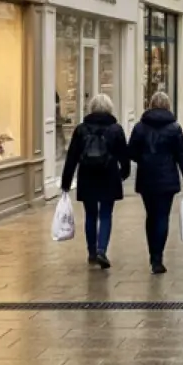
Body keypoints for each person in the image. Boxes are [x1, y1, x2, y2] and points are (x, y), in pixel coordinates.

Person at [60, 93, 129, 269]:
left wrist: (66, 182)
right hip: (109, 175)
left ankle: (91, 252)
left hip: (87, 176)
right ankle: (101, 249)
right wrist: (124, 172)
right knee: (106, 214)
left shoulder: (81, 129)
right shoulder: (116, 129)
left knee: (90, 215)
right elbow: (124, 155)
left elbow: (72, 157)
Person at [127, 90, 183, 275]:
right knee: (163, 216)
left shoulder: (140, 127)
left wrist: (144, 158)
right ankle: (158, 258)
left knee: (151, 215)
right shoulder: (174, 127)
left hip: (146, 177)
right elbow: (182, 155)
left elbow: (131, 152)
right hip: (167, 178)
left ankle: (152, 254)